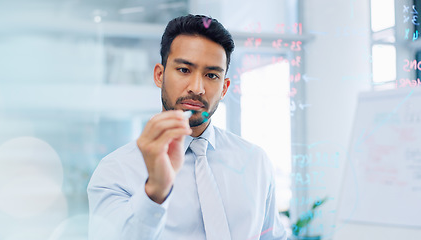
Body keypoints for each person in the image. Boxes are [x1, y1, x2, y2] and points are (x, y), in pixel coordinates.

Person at [87, 14, 288, 240]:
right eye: (184, 70)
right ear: (159, 75)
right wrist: (155, 191)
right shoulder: (115, 171)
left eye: (211, 75)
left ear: (224, 88)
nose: (197, 87)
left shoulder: (256, 162)